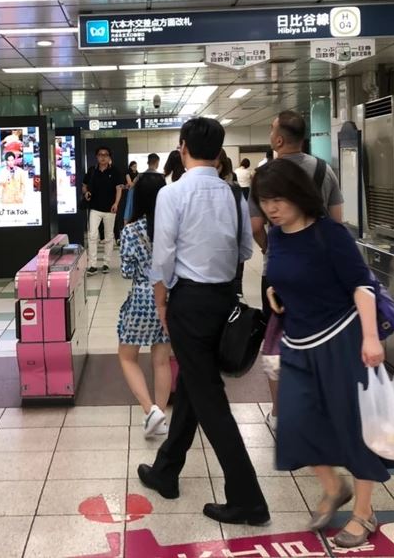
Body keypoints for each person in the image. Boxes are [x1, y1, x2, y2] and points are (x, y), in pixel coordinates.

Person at [254, 159, 394, 548]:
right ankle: (334, 486)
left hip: (341, 340)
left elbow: (362, 286)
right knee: (296, 424)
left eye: (278, 199)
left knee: (352, 426)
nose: (271, 208)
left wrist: (371, 338)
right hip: (297, 341)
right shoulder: (279, 235)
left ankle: (364, 514)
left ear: (299, 194)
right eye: (265, 201)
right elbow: (285, 275)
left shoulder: (330, 234)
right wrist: (275, 292)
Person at [137, 118, 269, 526]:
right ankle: (166, 471)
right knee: (194, 386)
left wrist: (162, 301)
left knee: (209, 399)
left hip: (189, 302)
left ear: (182, 148)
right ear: (219, 151)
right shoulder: (233, 193)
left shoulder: (172, 193)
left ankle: (248, 499)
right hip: (225, 300)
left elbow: (163, 256)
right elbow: (246, 249)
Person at [252, 110, 345, 434]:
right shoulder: (323, 170)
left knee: (277, 344)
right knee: (319, 340)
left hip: (278, 275)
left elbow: (255, 227)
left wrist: (270, 250)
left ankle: (280, 414)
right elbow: (336, 220)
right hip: (321, 273)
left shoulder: (265, 176)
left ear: (278, 139)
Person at [117, 172, 172, 438]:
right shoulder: (173, 227)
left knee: (128, 357)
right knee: (162, 361)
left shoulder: (130, 230)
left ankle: (150, 410)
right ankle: (160, 417)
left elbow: (127, 271)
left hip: (141, 298)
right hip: (168, 299)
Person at [82, 146, 122, 275]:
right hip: (95, 208)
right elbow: (84, 185)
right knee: (92, 235)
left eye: (106, 154)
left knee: (109, 236)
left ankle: (106, 263)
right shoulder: (92, 171)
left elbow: (119, 189)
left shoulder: (115, 171)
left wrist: (116, 203)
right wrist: (86, 192)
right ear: (97, 157)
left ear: (109, 157)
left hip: (110, 209)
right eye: (100, 154)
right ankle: (92, 264)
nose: (103, 157)